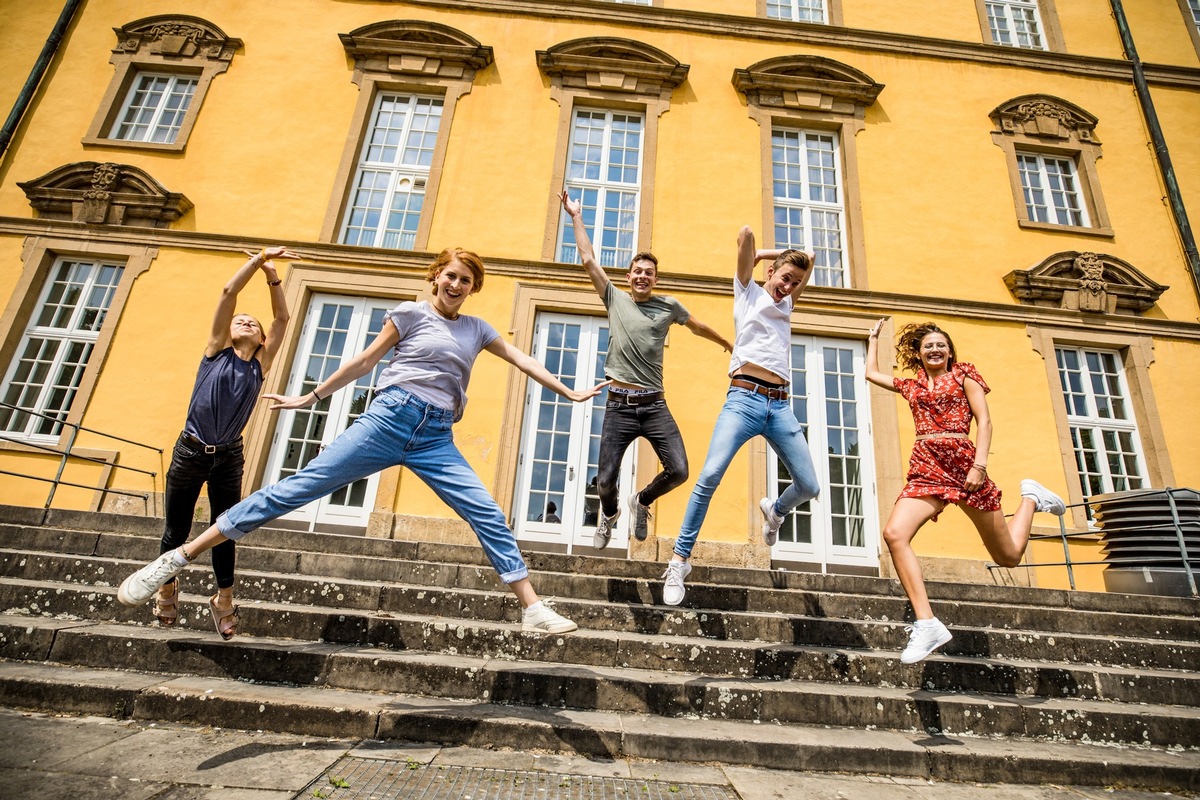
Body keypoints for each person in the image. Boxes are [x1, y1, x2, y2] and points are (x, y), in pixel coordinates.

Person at [119, 248, 606, 635]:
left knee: (486, 511)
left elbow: (522, 359)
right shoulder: (410, 316)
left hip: (435, 436)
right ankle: (177, 559)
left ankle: (533, 607)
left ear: (473, 288)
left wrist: (569, 390)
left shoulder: (478, 329)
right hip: (389, 419)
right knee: (294, 489)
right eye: (451, 276)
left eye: (466, 280)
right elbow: (365, 362)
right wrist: (311, 395)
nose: (457, 285)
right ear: (436, 277)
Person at [865, 318, 1066, 663]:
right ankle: (927, 623)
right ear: (918, 352)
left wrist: (980, 465)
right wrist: (871, 340)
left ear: (949, 351)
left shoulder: (964, 374)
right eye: (928, 345)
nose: (935, 349)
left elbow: (984, 420)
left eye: (941, 344)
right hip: (926, 464)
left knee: (1009, 557)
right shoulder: (912, 387)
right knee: (894, 533)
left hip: (963, 463)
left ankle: (1031, 498)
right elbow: (871, 374)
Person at [559, 191, 732, 548]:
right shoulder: (614, 298)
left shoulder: (668, 306)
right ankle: (609, 514)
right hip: (618, 406)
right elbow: (589, 258)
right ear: (628, 276)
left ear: (655, 279)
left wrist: (727, 344)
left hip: (654, 406)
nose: (642, 276)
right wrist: (576, 216)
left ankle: (641, 501)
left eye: (649, 273)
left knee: (680, 471)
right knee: (605, 482)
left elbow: (697, 326)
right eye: (637, 271)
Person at [661, 226, 821, 606]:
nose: (788, 286)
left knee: (810, 486)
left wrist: (791, 264)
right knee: (710, 475)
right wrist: (770, 256)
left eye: (795, 282)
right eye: (785, 278)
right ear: (768, 272)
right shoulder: (746, 292)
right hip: (743, 400)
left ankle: (776, 510)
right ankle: (679, 561)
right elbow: (745, 234)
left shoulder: (788, 304)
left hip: (780, 406)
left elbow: (810, 259)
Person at [152, 246, 295, 639]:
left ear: (263, 338)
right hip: (190, 450)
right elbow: (227, 294)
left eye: (253, 322)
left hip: (229, 456)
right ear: (228, 330)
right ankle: (167, 586)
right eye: (241, 320)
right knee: (176, 529)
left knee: (226, 527)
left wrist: (272, 275)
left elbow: (283, 317)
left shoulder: (260, 364)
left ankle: (224, 600)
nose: (246, 321)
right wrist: (255, 260)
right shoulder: (215, 352)